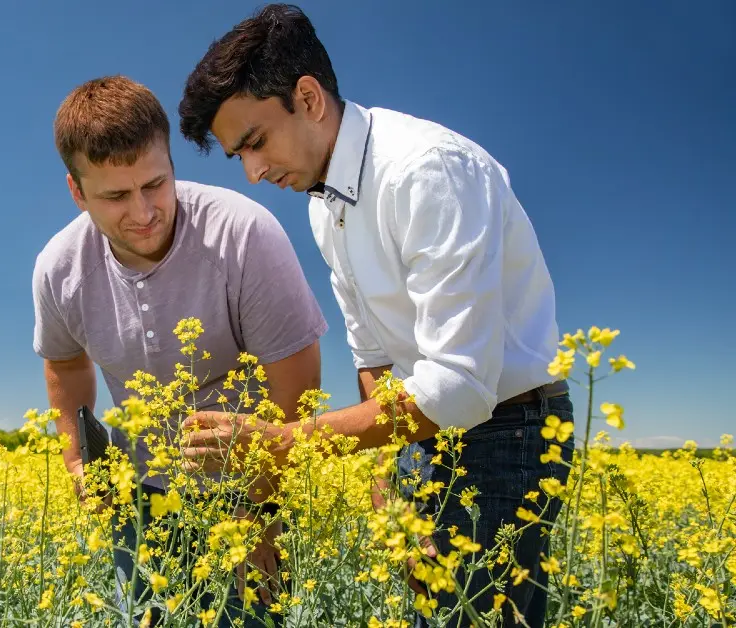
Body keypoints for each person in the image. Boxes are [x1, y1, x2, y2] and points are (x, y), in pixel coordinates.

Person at [174, 4, 573, 627]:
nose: (253, 172)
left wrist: (282, 444)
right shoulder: (322, 203)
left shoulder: (425, 170)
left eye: (255, 142)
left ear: (307, 97)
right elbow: (375, 356)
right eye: (238, 157)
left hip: (506, 428)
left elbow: (460, 385)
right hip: (420, 434)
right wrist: (393, 480)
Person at [32, 74, 329, 627]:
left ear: (172, 163)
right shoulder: (58, 269)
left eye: (156, 184)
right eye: (116, 196)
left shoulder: (244, 233)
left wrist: (259, 508)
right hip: (140, 495)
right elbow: (65, 362)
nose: (143, 212)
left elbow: (296, 384)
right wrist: (78, 464)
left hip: (247, 486)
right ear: (77, 191)